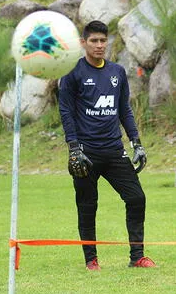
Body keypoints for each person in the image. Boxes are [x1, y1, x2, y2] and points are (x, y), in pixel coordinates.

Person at [58, 20, 156, 270]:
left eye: (103, 40)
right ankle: (91, 260)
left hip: (114, 151)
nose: (100, 45)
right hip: (86, 153)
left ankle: (137, 257)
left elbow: (124, 109)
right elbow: (66, 112)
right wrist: (73, 148)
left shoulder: (117, 72)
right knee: (88, 206)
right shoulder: (72, 73)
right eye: (94, 41)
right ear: (83, 43)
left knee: (136, 198)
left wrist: (136, 142)